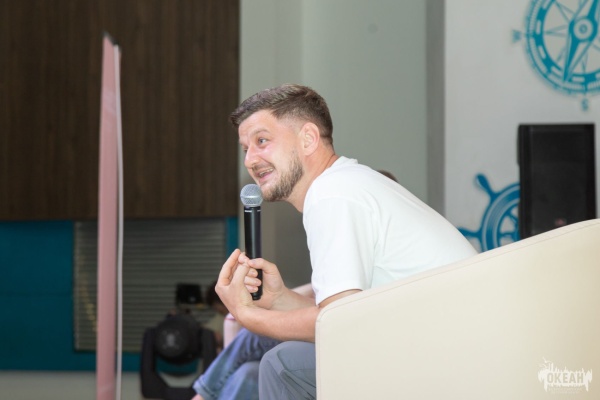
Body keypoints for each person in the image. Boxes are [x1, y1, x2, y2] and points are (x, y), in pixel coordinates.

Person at [192, 83, 477, 399]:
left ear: (308, 138)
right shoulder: (347, 183)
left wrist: (250, 316)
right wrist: (279, 299)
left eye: (262, 141)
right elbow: (351, 314)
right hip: (440, 347)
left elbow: (340, 324)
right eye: (245, 148)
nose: (250, 160)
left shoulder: (332, 194)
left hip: (448, 359)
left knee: (282, 363)